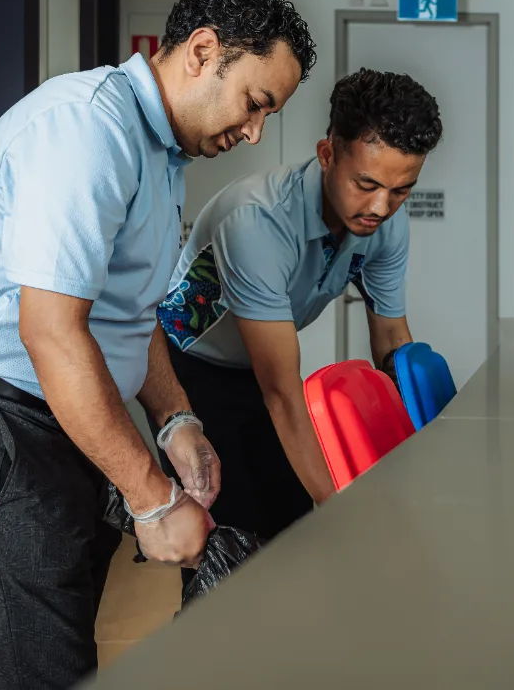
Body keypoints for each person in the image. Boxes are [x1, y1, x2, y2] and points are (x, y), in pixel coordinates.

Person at [0, 0, 316, 690]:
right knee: (43, 671)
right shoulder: (86, 130)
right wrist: (153, 499)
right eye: (255, 104)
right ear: (202, 51)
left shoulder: (158, 154)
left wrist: (175, 417)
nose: (255, 131)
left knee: (35, 656)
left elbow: (128, 312)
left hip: (61, 416)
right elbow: (53, 334)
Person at [157, 68, 442, 587]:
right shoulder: (258, 221)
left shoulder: (384, 223)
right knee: (233, 555)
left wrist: (408, 466)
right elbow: (282, 395)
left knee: (294, 534)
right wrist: (343, 510)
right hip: (191, 372)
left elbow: (393, 343)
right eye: (367, 184)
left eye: (402, 189)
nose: (382, 207)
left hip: (266, 371)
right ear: (328, 153)